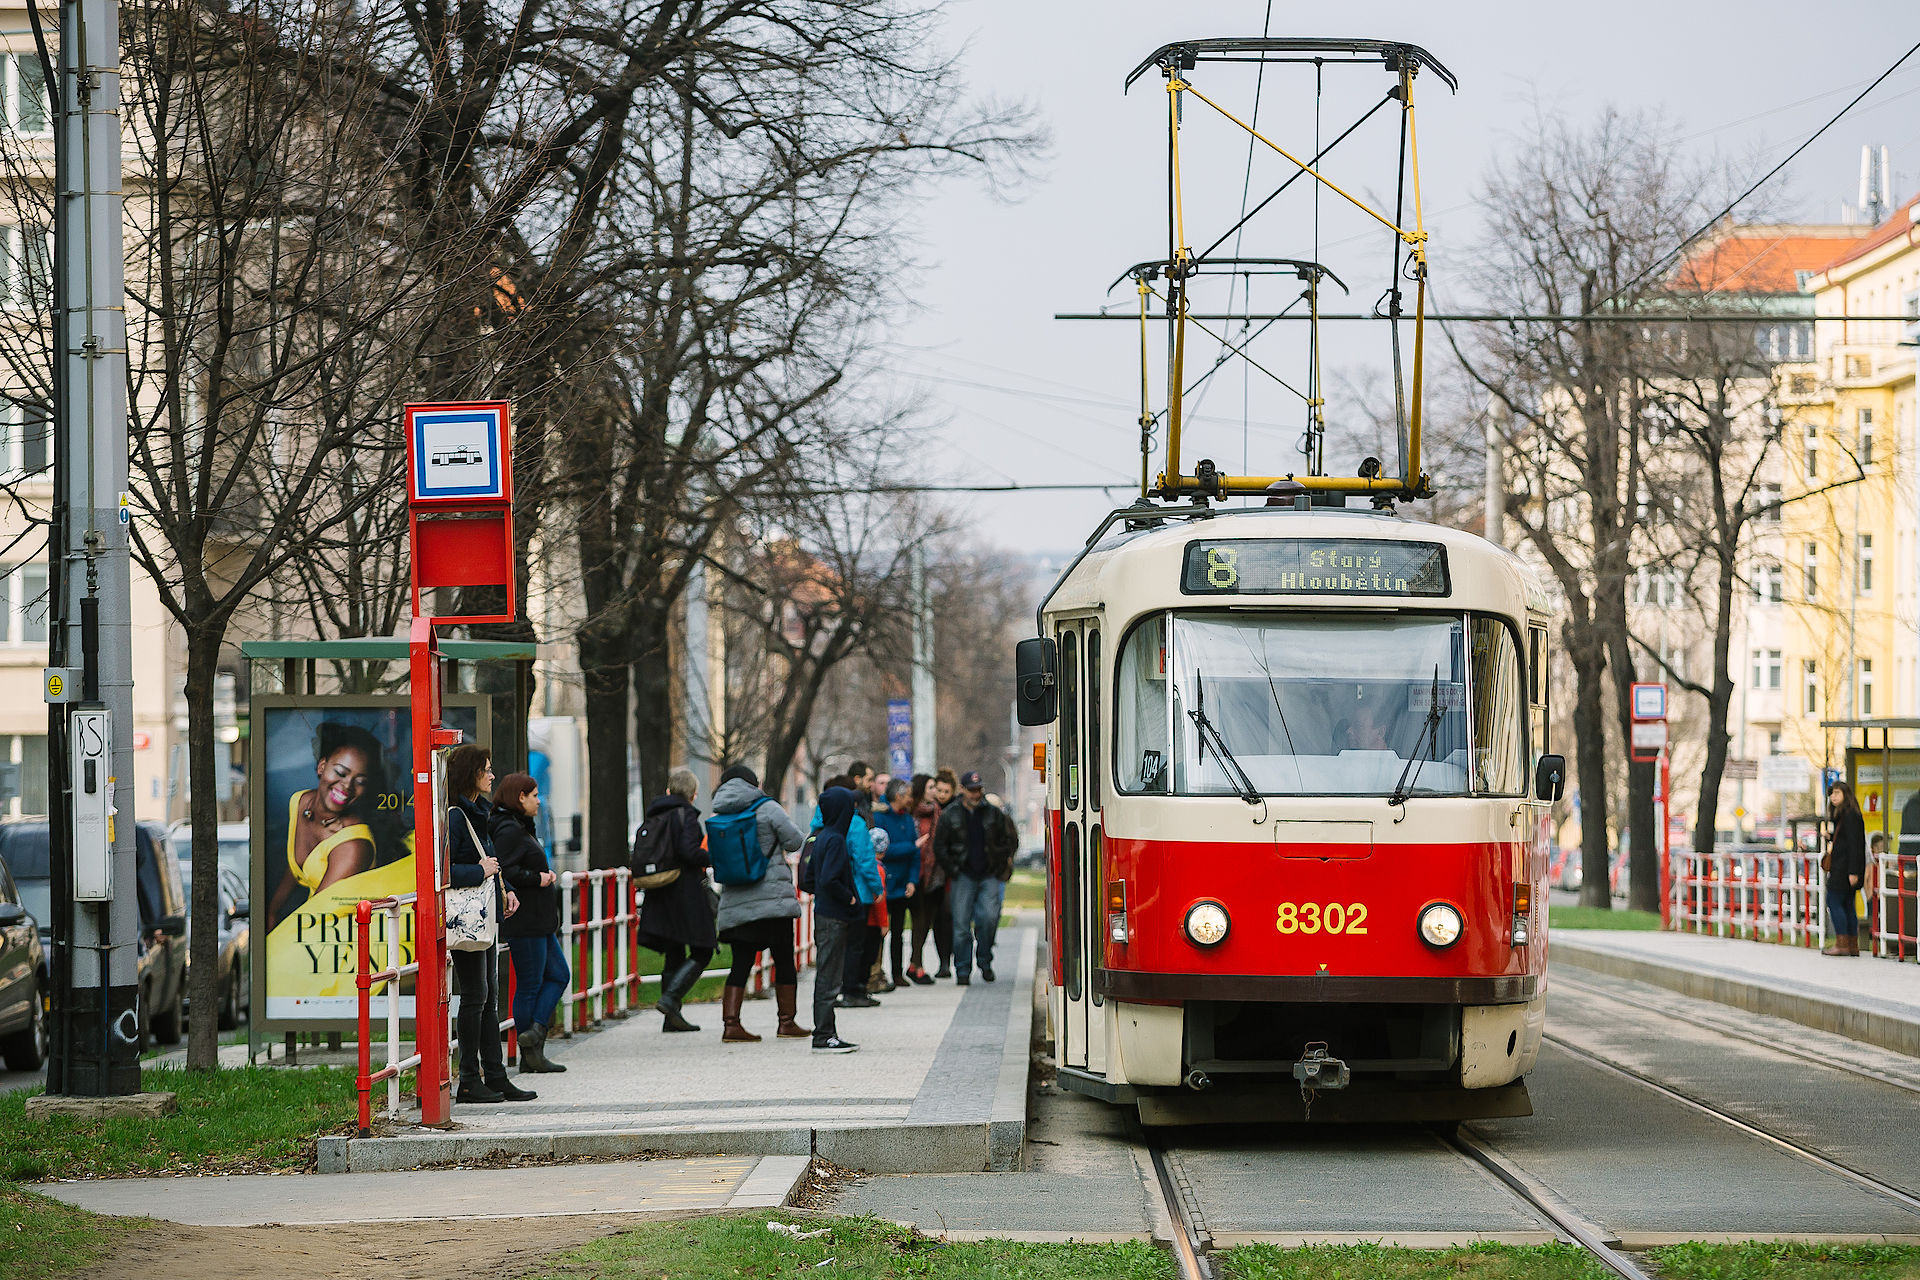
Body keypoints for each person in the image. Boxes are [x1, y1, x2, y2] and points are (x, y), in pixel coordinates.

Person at [445, 745, 534, 1104]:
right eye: (486, 769)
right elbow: (443, 872)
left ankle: (495, 1075)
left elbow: (491, 862)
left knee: (489, 995)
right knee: (475, 995)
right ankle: (469, 1078)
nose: (492, 776)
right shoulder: (455, 816)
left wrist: (506, 889)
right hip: (469, 920)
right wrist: (479, 871)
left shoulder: (479, 813)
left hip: (485, 916)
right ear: (471, 774)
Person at [711, 764, 809, 1042]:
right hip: (773, 901)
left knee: (741, 963)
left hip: (737, 901)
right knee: (784, 959)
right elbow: (795, 841)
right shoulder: (768, 808)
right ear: (753, 784)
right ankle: (786, 1022)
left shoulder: (720, 813)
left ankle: (731, 1025)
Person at [491, 771, 568, 1074]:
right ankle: (531, 1050)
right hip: (526, 919)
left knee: (558, 975)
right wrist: (539, 878)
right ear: (520, 797)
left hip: (540, 920)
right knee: (530, 984)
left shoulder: (519, 826)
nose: (538, 801)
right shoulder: (508, 829)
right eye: (534, 796)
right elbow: (505, 871)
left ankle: (534, 1035)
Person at [637, 768, 717, 1030]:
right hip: (685, 893)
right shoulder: (686, 815)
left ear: (669, 790)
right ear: (693, 794)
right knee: (703, 949)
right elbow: (689, 852)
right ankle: (671, 1000)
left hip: (660, 893)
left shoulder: (656, 814)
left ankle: (671, 1019)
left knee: (674, 952)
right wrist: (712, 857)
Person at [934, 769, 1020, 985]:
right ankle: (963, 969)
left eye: (979, 789)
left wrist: (1000, 862)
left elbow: (1009, 839)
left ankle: (984, 960)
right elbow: (940, 846)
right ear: (963, 790)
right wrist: (952, 869)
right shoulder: (950, 814)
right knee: (961, 926)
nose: (976, 794)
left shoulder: (993, 813)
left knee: (989, 919)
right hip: (962, 875)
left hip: (989, 874)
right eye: (972, 790)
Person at [801, 786, 862, 1053]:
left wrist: (825, 894)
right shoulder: (836, 839)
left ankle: (826, 1032)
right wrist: (849, 898)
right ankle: (824, 1034)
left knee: (827, 973)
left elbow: (809, 880)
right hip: (835, 916)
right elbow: (828, 879)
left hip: (823, 913)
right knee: (829, 976)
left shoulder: (821, 836)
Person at [872, 779, 922, 989]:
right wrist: (911, 846)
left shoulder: (908, 819)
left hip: (902, 884)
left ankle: (897, 972)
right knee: (879, 932)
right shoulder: (880, 817)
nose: (911, 799)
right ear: (899, 796)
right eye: (908, 795)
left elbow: (915, 855)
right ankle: (876, 973)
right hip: (884, 883)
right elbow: (884, 850)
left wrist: (912, 880)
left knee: (898, 933)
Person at [1823, 780, 1866, 956]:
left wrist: (1853, 871)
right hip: (1846, 867)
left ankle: (1842, 944)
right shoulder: (1845, 814)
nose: (1833, 797)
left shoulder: (1849, 815)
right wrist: (1831, 836)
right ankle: (1852, 945)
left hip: (1844, 868)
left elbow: (1855, 845)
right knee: (1848, 904)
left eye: (1837, 793)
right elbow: (1847, 840)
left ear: (1845, 795)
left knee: (1834, 900)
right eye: (1832, 793)